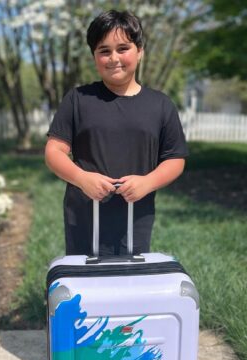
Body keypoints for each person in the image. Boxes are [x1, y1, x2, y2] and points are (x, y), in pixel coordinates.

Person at [45, 10, 188, 256]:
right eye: (104, 51)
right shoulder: (78, 99)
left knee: (129, 283)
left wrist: (148, 182)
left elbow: (175, 159)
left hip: (136, 215)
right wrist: (82, 179)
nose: (114, 58)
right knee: (86, 284)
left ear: (140, 51)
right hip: (85, 215)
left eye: (123, 48)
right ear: (94, 56)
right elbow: (54, 151)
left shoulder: (160, 105)